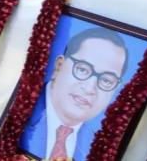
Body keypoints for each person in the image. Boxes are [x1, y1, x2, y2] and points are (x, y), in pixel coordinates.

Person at [20, 27, 129, 161]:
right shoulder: (16, 107)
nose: (90, 88)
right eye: (82, 69)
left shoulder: (95, 146)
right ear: (59, 66)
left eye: (106, 80)